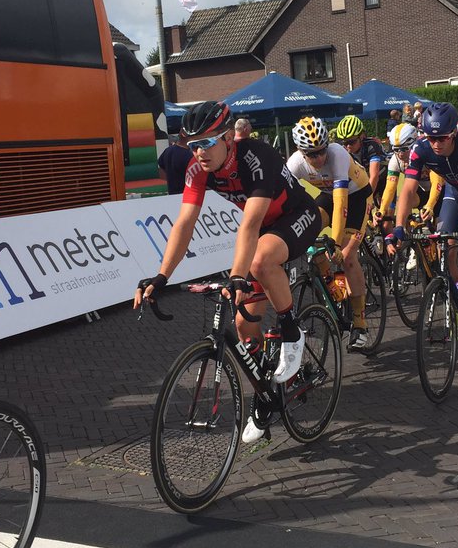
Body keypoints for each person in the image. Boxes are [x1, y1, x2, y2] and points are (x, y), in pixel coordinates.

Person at [132, 101, 321, 443]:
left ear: (228, 139)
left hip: (297, 217)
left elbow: (249, 226)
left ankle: (292, 330)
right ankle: (266, 395)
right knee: (243, 327)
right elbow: (184, 224)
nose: (199, 152)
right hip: (265, 230)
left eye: (206, 143)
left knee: (260, 261)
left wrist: (237, 276)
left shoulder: (257, 157)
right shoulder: (197, 170)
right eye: (192, 145)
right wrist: (161, 276)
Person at [388, 103, 458, 332]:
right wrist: (398, 226)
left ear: (454, 133)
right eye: (431, 138)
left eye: (442, 138)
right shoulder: (420, 149)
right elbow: (407, 190)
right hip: (455, 191)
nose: (436, 144)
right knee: (445, 244)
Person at [288, 117, 375, 351]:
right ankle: (336, 290)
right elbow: (284, 200)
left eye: (321, 152)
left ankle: (360, 322)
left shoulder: (337, 154)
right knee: (310, 240)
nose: (318, 159)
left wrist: (336, 243)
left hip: (356, 196)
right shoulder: (294, 163)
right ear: (300, 152)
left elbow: (341, 204)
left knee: (346, 256)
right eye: (311, 154)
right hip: (327, 195)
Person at [336, 114, 386, 201]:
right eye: (344, 142)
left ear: (362, 136)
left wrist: (368, 199)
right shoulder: (344, 150)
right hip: (363, 180)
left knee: (386, 211)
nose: (348, 146)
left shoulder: (371, 146)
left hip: (383, 178)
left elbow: (374, 176)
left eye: (352, 142)